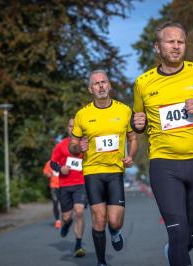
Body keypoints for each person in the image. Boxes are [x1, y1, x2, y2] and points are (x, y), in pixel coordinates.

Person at [132, 21, 193, 266]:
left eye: (181, 41)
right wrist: (138, 124)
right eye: (170, 41)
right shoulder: (143, 83)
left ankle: (176, 251)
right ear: (157, 47)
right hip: (164, 165)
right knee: (176, 233)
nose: (176, 46)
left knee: (189, 236)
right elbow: (138, 124)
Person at [69, 70, 137, 266]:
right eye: (96, 83)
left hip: (115, 171)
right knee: (99, 219)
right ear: (90, 89)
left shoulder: (124, 110)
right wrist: (77, 147)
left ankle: (115, 232)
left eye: (103, 82)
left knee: (114, 221)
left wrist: (130, 156)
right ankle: (101, 262)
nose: (100, 86)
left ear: (109, 85)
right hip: (92, 171)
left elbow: (133, 138)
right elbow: (72, 145)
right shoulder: (82, 114)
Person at [50, 119, 87, 257]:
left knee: (79, 211)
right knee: (66, 216)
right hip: (65, 185)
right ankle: (66, 223)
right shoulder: (61, 146)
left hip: (81, 184)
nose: (73, 129)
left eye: (75, 126)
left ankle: (78, 244)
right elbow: (52, 163)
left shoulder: (85, 144)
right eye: (71, 126)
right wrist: (61, 168)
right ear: (67, 128)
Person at [43, 160, 62, 229]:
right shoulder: (49, 163)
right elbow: (45, 171)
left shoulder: (64, 160)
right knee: (55, 203)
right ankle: (57, 221)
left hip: (64, 186)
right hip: (54, 186)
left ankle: (66, 218)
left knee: (65, 204)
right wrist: (47, 174)